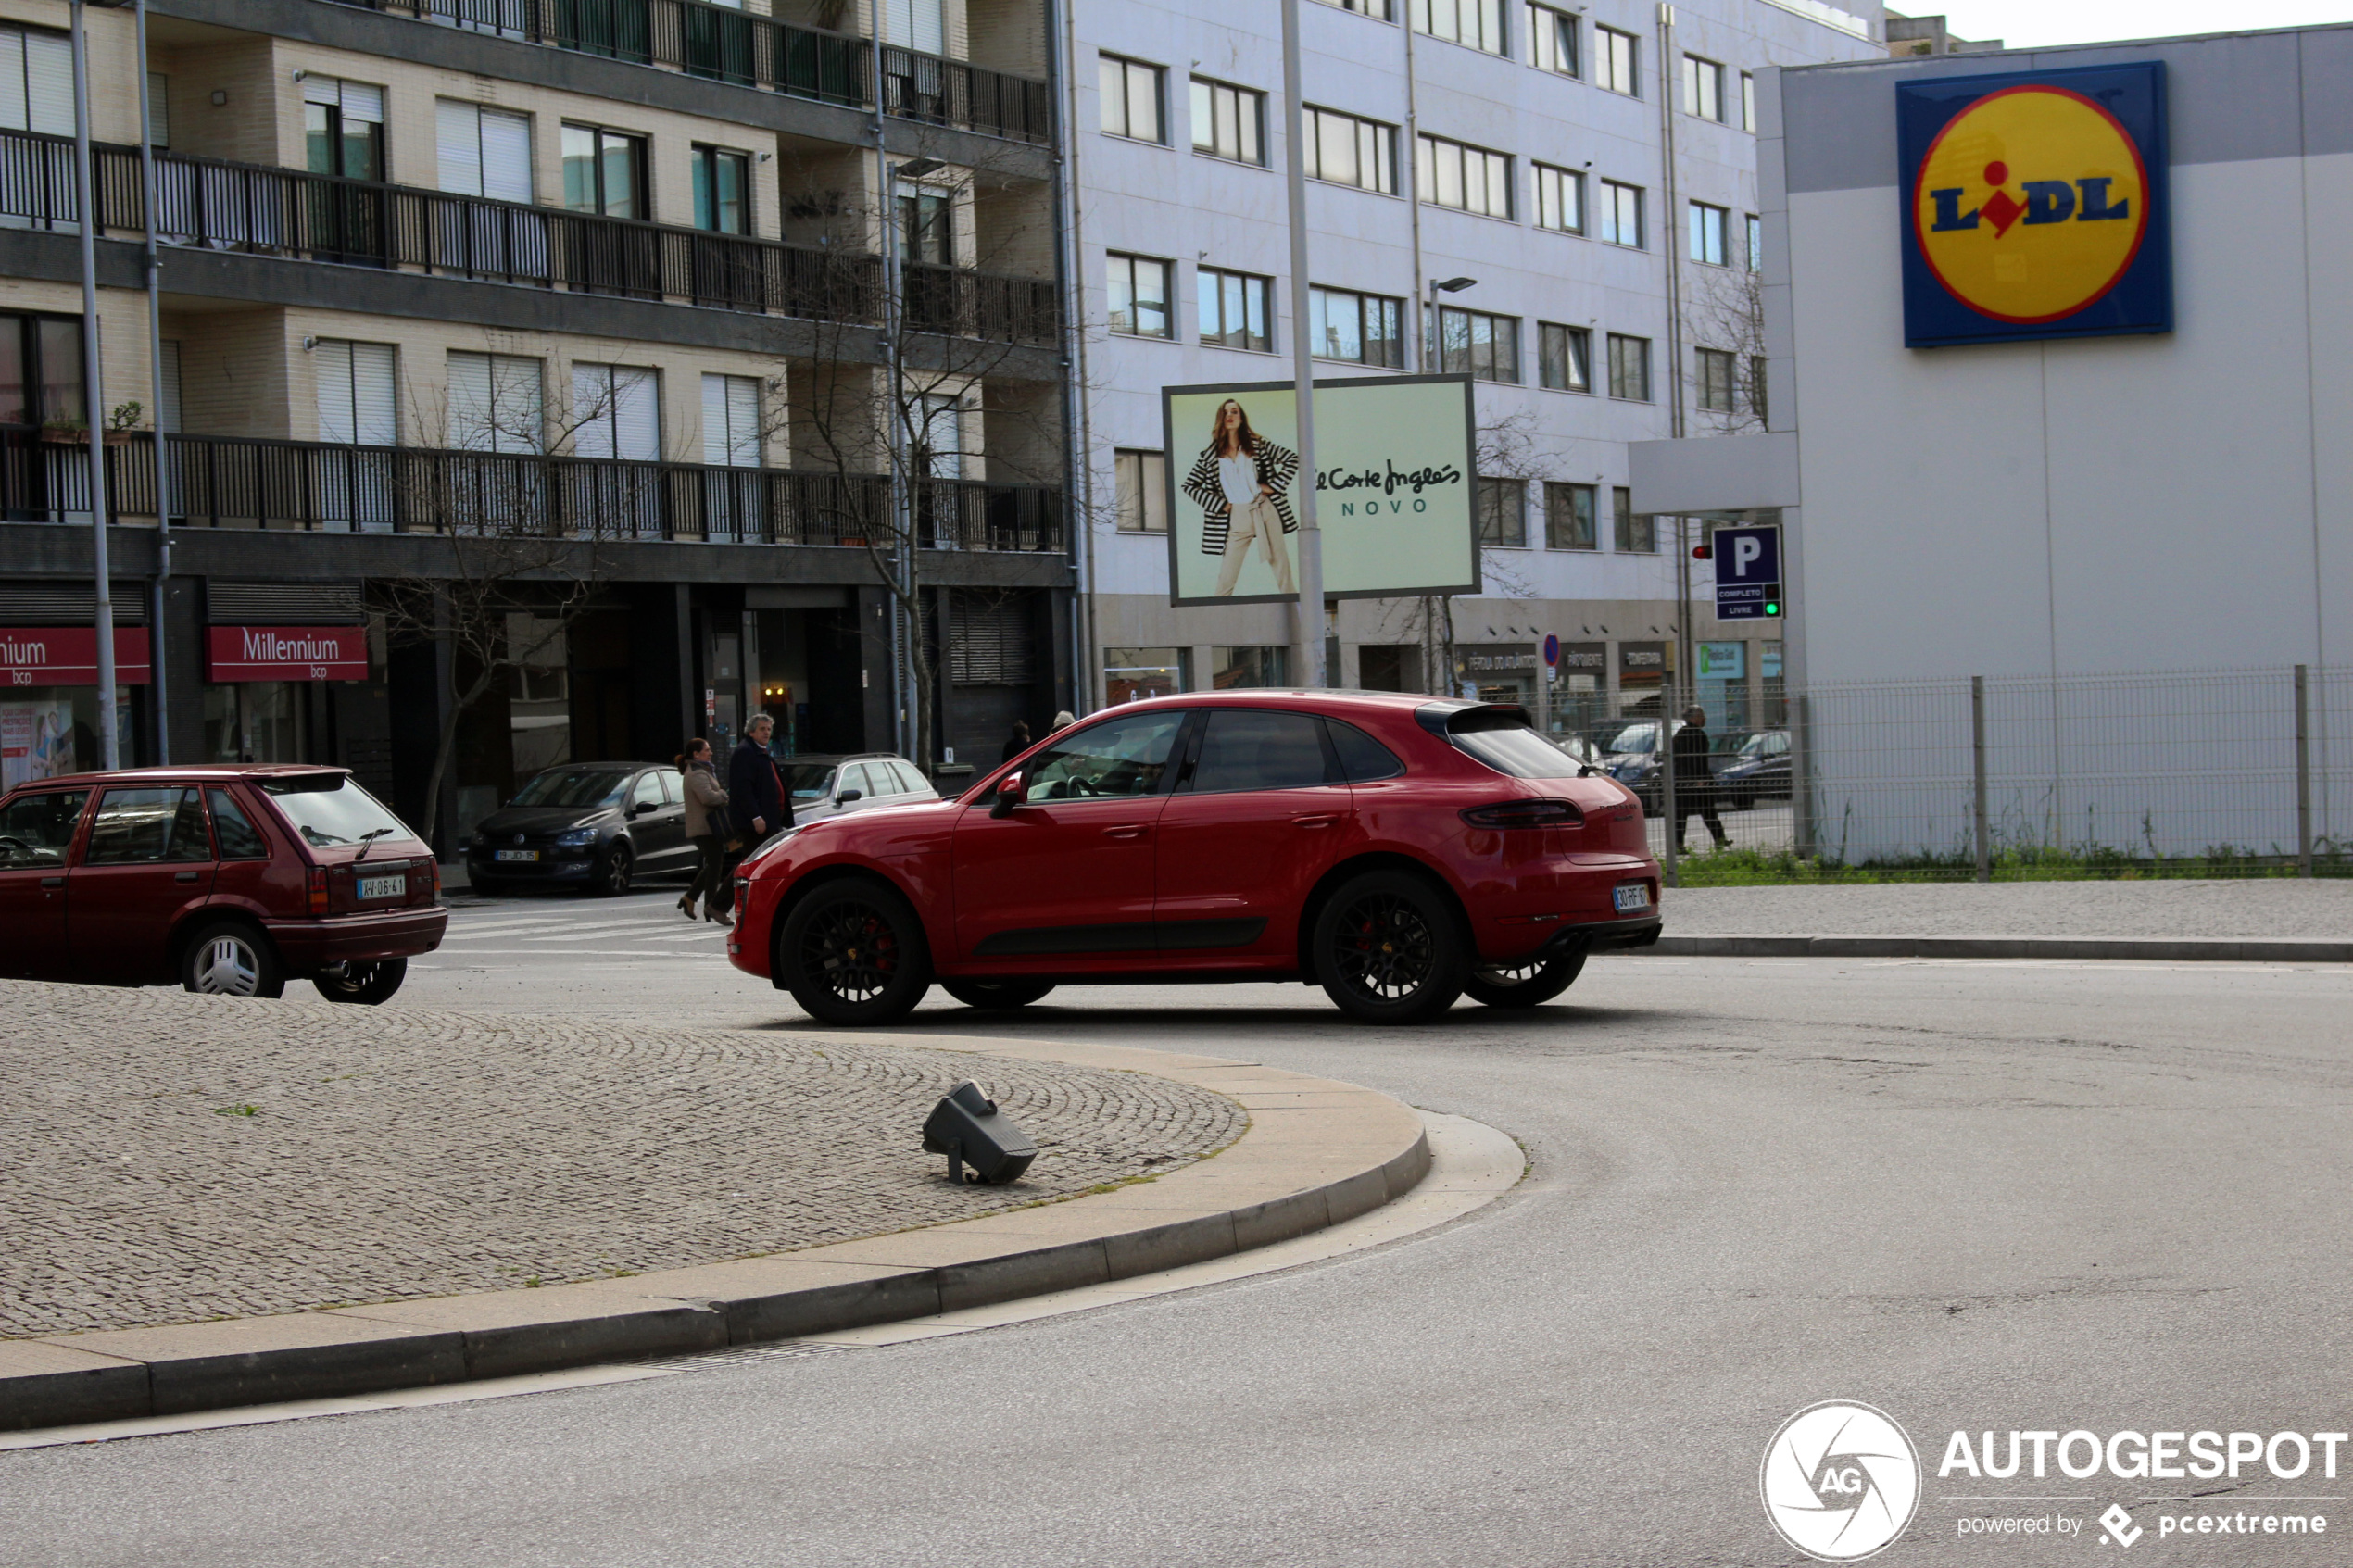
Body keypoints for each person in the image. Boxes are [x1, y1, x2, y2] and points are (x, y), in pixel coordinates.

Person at [1181, 398, 1299, 597]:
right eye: (1225, 412)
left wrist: (1273, 487)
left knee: (1282, 571)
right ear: (1221, 419)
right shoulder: (1210, 456)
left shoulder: (1259, 446)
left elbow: (1292, 459)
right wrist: (1221, 505)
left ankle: (1298, 616)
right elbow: (1189, 486)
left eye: (1234, 411)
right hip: (1237, 516)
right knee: (1226, 579)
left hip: (1265, 510)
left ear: (1242, 418)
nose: (1230, 416)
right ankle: (1218, 618)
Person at [676, 738, 731, 927]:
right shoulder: (697, 773)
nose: (711, 752)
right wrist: (724, 795)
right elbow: (707, 797)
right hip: (704, 827)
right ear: (696, 754)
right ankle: (711, 906)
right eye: (706, 750)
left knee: (713, 864)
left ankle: (691, 898)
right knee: (715, 864)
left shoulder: (702, 770)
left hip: (705, 827)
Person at [1669, 705, 1730, 854]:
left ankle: (1678, 844)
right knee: (1708, 811)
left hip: (1680, 781)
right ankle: (1720, 840)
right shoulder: (1698, 735)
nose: (1704, 719)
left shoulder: (1679, 735)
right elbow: (1699, 760)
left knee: (1681, 814)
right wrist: (1701, 779)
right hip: (1698, 781)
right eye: (1701, 716)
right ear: (1693, 718)